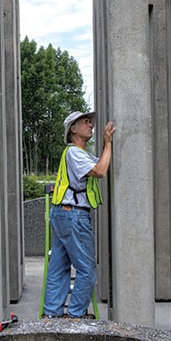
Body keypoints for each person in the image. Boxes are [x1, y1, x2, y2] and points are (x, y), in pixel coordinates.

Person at [43, 110, 115, 319]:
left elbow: (100, 162)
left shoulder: (80, 154)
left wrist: (104, 147)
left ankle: (52, 315)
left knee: (59, 266)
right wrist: (108, 142)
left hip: (63, 214)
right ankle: (75, 315)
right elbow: (100, 171)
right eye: (85, 122)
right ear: (73, 130)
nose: (90, 125)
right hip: (73, 216)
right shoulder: (74, 153)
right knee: (87, 270)